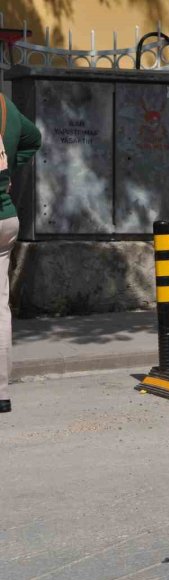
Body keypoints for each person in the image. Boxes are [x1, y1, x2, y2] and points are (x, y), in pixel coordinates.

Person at [0, 93, 41, 413]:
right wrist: (8, 171)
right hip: (6, 219)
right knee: (0, 306)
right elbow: (33, 138)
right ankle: (0, 391)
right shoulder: (4, 105)